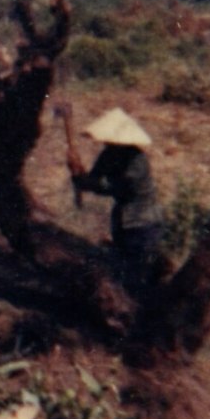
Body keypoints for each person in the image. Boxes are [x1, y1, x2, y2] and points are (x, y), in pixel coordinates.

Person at [68, 107, 166, 295]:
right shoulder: (108, 154)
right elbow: (94, 178)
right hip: (123, 220)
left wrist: (84, 182)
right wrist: (78, 172)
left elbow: (114, 186)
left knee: (140, 270)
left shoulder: (137, 160)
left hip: (144, 221)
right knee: (124, 267)